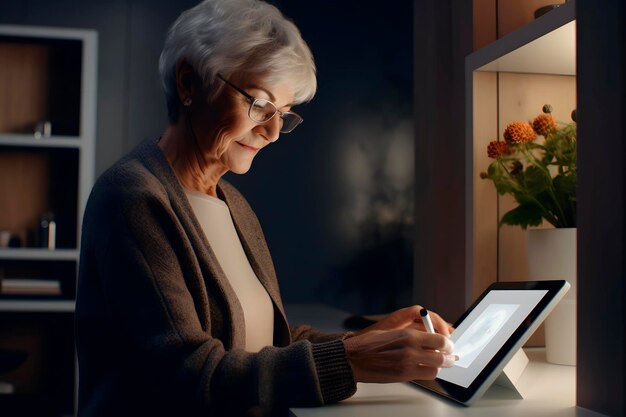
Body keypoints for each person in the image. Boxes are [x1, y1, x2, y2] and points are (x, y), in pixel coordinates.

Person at [74, 0, 457, 416]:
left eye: (284, 114)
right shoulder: (133, 198)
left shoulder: (232, 203)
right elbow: (186, 375)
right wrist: (353, 361)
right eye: (259, 104)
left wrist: (368, 342)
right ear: (189, 83)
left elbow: (265, 344)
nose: (273, 132)